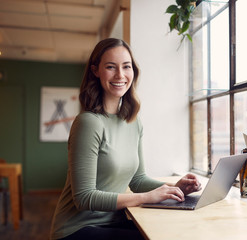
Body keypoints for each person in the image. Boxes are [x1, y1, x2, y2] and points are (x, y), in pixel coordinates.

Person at [50, 38, 201, 240]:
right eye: (111, 67)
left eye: (126, 66)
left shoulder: (133, 122)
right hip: (77, 228)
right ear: (96, 71)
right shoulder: (88, 123)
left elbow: (137, 180)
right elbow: (84, 198)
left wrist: (176, 188)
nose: (120, 75)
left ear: (133, 71)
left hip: (115, 221)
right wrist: (145, 198)